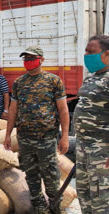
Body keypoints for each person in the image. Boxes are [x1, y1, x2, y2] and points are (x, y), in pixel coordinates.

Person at [4, 46, 69, 214]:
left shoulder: (53, 81)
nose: (28, 62)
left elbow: (63, 110)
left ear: (41, 59)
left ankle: (55, 207)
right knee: (31, 174)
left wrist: (65, 137)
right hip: (25, 138)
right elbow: (13, 110)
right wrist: (7, 135)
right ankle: (39, 207)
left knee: (51, 175)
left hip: (46, 139)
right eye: (25, 59)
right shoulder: (19, 83)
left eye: (31, 58)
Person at [73, 35, 109, 213]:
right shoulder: (92, 77)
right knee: (84, 193)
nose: (86, 54)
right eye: (86, 50)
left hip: (102, 150)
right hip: (83, 147)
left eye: (91, 51)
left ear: (107, 54)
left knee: (102, 199)